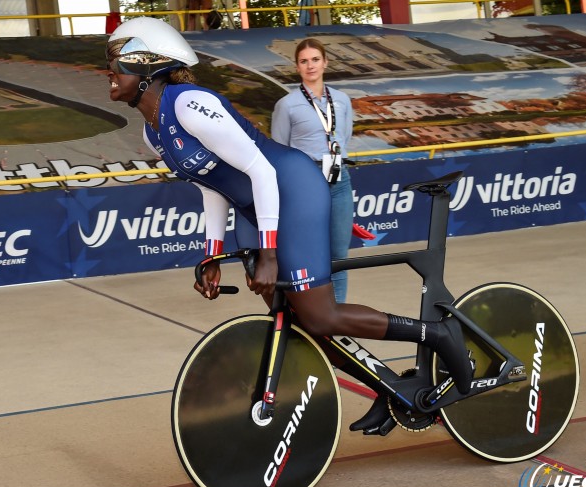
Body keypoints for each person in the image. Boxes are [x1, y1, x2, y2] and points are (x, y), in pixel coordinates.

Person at [104, 17, 474, 435]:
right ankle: (389, 390)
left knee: (320, 316)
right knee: (294, 322)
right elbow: (211, 187)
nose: (110, 74)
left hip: (290, 190)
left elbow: (260, 169)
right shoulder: (154, 133)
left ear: (148, 67)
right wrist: (211, 255)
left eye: (119, 65)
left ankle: (438, 334)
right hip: (253, 209)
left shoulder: (187, 104)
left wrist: (269, 252)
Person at [271, 38, 353, 303]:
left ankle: (336, 313)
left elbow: (344, 136)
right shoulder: (287, 104)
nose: (310, 66)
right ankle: (309, 311)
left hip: (339, 179)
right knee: (307, 253)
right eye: (304, 61)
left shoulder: (341, 100)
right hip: (306, 183)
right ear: (297, 67)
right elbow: (280, 151)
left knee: (338, 254)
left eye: (315, 59)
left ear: (325, 62)